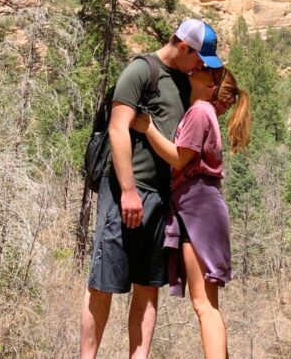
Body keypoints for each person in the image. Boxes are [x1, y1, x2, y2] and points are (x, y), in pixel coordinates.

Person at [80, 18, 222, 359]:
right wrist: (128, 190)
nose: (202, 66)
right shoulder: (142, 71)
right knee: (103, 281)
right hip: (124, 192)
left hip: (162, 199)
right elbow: (118, 129)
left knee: (147, 284)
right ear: (185, 47)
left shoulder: (184, 81)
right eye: (201, 58)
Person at [132, 65, 251, 359]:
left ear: (211, 85)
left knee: (204, 305)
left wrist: (147, 127)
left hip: (199, 207)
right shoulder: (201, 111)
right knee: (205, 304)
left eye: (204, 70)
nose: (196, 69)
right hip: (195, 207)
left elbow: (179, 157)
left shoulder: (199, 112)